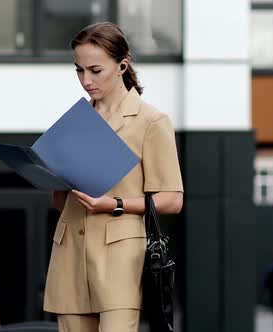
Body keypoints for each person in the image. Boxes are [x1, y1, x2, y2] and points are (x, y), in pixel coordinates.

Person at [43, 22, 184, 332]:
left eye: (95, 70)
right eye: (79, 70)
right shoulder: (74, 123)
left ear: (122, 65)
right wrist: (52, 176)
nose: (85, 80)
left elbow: (172, 200)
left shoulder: (152, 122)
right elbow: (60, 203)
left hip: (120, 259)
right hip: (70, 258)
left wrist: (113, 203)